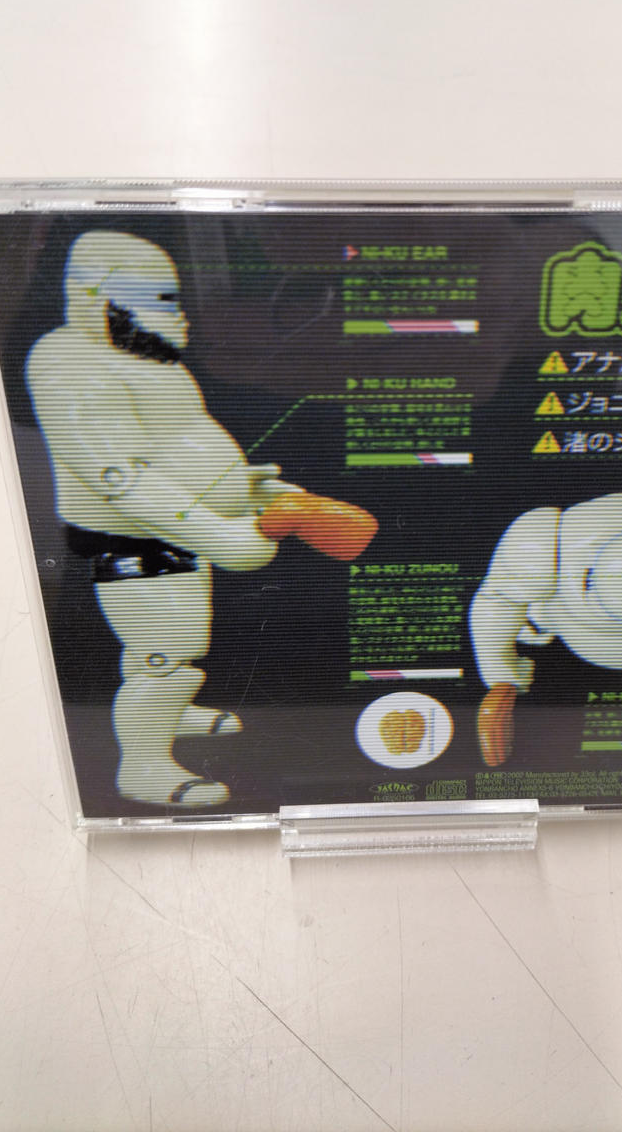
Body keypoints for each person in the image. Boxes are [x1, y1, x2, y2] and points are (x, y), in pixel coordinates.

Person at [27, 230, 377, 807]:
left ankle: (171, 709)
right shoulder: (70, 364)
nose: (181, 315)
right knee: (166, 646)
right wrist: (224, 534)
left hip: (182, 528)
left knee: (176, 633)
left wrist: (247, 488)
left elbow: (179, 445)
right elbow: (119, 476)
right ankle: (143, 763)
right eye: (164, 301)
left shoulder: (145, 358)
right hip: (135, 537)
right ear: (98, 298)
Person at [469, 492, 622, 766]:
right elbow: (497, 599)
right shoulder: (547, 541)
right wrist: (498, 666)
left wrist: (499, 668)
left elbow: (498, 600)